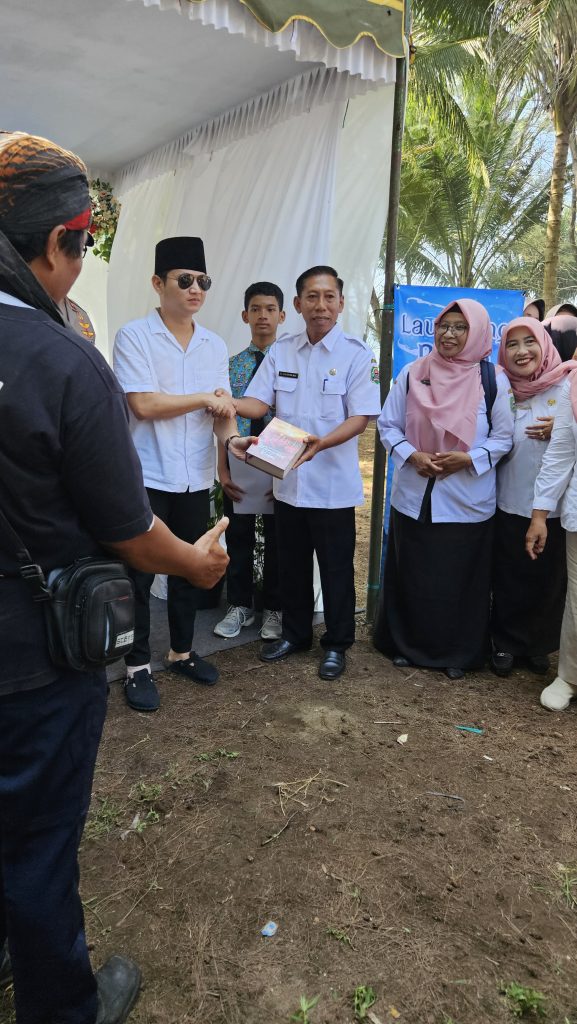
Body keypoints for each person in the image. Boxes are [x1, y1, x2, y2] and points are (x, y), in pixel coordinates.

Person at [0, 132, 246, 1024]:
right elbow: (129, 533)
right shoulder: (62, 358)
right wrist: (197, 561)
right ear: (59, 242)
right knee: (36, 842)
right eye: (82, 247)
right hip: (31, 655)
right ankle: (62, 1006)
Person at [233, 265, 381, 680]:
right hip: (289, 484)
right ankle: (295, 635)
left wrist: (323, 443)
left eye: (329, 297)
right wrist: (225, 401)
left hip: (333, 486)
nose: (321, 305)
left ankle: (337, 644)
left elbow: (361, 417)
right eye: (312, 297)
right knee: (292, 566)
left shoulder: (356, 354)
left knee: (336, 570)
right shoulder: (283, 351)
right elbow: (258, 402)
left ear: (341, 303)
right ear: (298, 305)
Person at [113, 237, 241, 713]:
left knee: (191, 565)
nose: (195, 289)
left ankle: (182, 652)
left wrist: (234, 444)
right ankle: (136, 666)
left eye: (202, 281)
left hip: (195, 477)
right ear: (157, 283)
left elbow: (223, 415)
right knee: (139, 575)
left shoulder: (214, 344)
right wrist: (204, 398)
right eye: (184, 280)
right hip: (146, 475)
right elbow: (143, 404)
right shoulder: (135, 336)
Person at [374, 299, 514, 679]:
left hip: (466, 499)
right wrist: (412, 455)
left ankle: (458, 654)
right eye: (443, 326)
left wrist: (468, 459)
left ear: (477, 332)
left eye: (460, 327)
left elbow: (503, 437)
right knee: (413, 575)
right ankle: (406, 646)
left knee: (458, 580)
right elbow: (388, 425)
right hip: (415, 494)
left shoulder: (493, 379)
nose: (449, 334)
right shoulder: (412, 373)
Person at [491, 318, 577, 677]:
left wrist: (563, 425)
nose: (522, 351)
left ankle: (538, 645)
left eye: (530, 342)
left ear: (545, 345)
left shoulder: (568, 384)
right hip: (509, 498)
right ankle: (505, 642)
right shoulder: (499, 387)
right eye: (512, 344)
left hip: (555, 505)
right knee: (510, 573)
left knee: (549, 579)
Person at [215, 281, 285, 641]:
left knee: (278, 539)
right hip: (239, 464)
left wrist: (286, 473)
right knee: (238, 536)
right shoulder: (231, 367)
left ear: (282, 315)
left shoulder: (290, 364)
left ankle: (274, 607)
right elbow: (222, 419)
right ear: (245, 315)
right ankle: (239, 605)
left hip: (279, 466)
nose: (263, 316)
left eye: (270, 309)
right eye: (256, 309)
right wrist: (222, 469)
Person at [526, 367, 577, 711]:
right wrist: (540, 515)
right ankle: (570, 675)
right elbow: (560, 453)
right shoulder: (575, 385)